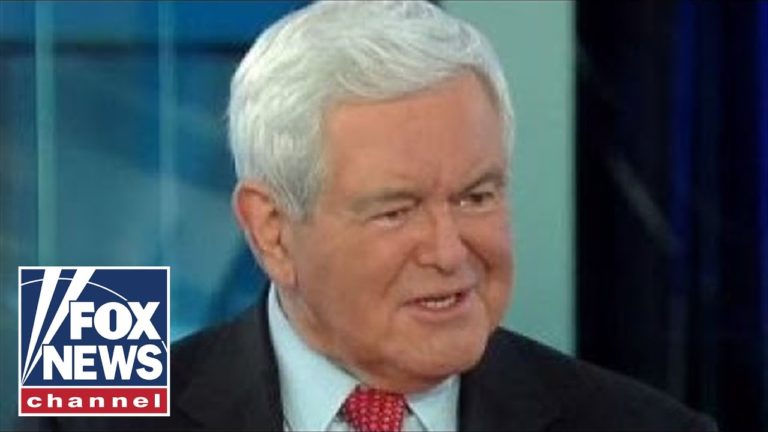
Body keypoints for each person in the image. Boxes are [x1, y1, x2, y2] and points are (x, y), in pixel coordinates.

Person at [31, 1, 716, 430]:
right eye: (396, 210)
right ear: (272, 230)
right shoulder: (90, 422)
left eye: (475, 197)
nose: (449, 251)